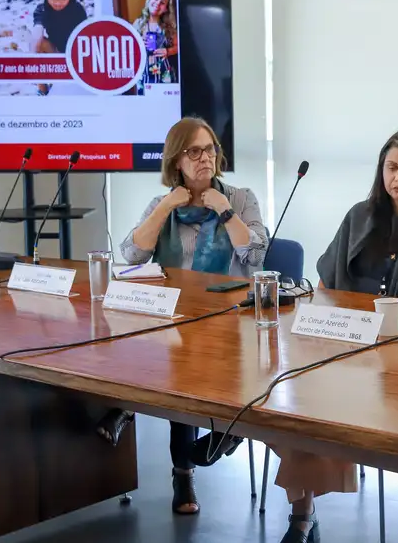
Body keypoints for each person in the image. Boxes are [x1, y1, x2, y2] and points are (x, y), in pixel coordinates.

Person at [272, 127, 398, 543]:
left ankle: (302, 515)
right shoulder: (360, 215)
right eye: (391, 167)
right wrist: (321, 330)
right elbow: (325, 287)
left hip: (396, 361)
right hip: (338, 340)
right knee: (285, 396)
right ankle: (301, 509)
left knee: (316, 407)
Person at [103, 116, 269, 515]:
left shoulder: (240, 198)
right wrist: (165, 207)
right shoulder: (163, 206)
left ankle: (135, 414)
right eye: (194, 151)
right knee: (168, 353)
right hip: (175, 317)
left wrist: (225, 212)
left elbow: (256, 254)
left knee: (182, 361)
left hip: (229, 321)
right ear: (176, 160)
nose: (205, 158)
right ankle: (181, 467)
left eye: (210, 149)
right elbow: (132, 253)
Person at [32, 0, 88, 95]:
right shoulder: (42, 10)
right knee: (38, 42)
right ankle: (42, 88)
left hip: (76, 58)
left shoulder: (77, 10)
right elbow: (37, 30)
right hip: (56, 55)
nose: (57, 3)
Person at [132, 0, 178, 89]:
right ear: (150, 0)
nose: (157, 3)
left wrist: (168, 51)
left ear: (166, 8)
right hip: (143, 76)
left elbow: (178, 47)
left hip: (165, 76)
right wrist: (138, 44)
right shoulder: (138, 23)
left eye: (162, 3)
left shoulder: (169, 26)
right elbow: (128, 49)